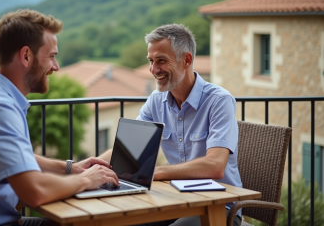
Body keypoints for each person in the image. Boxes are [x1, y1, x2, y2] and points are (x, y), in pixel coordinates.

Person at [0, 9, 119, 226]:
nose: (56, 67)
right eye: (51, 57)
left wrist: (71, 169)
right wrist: (87, 179)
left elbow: (21, 159)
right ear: (26, 56)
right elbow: (34, 192)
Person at [99, 24, 242, 226]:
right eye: (151, 61)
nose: (153, 69)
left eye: (161, 61)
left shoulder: (219, 101)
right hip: (175, 201)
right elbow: (127, 149)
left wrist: (155, 172)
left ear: (186, 60)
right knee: (120, 222)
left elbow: (215, 165)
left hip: (218, 209)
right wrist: (91, 166)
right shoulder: (156, 101)